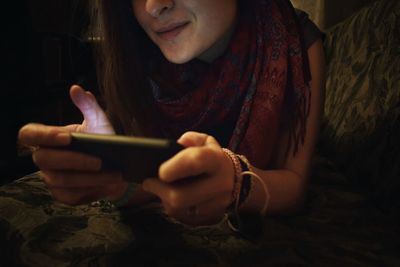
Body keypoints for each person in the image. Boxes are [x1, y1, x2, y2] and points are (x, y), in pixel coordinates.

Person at [18, 0, 325, 228]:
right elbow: (149, 182)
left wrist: (236, 182)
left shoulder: (292, 41)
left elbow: (294, 185)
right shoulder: (140, 53)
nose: (153, 6)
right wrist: (115, 174)